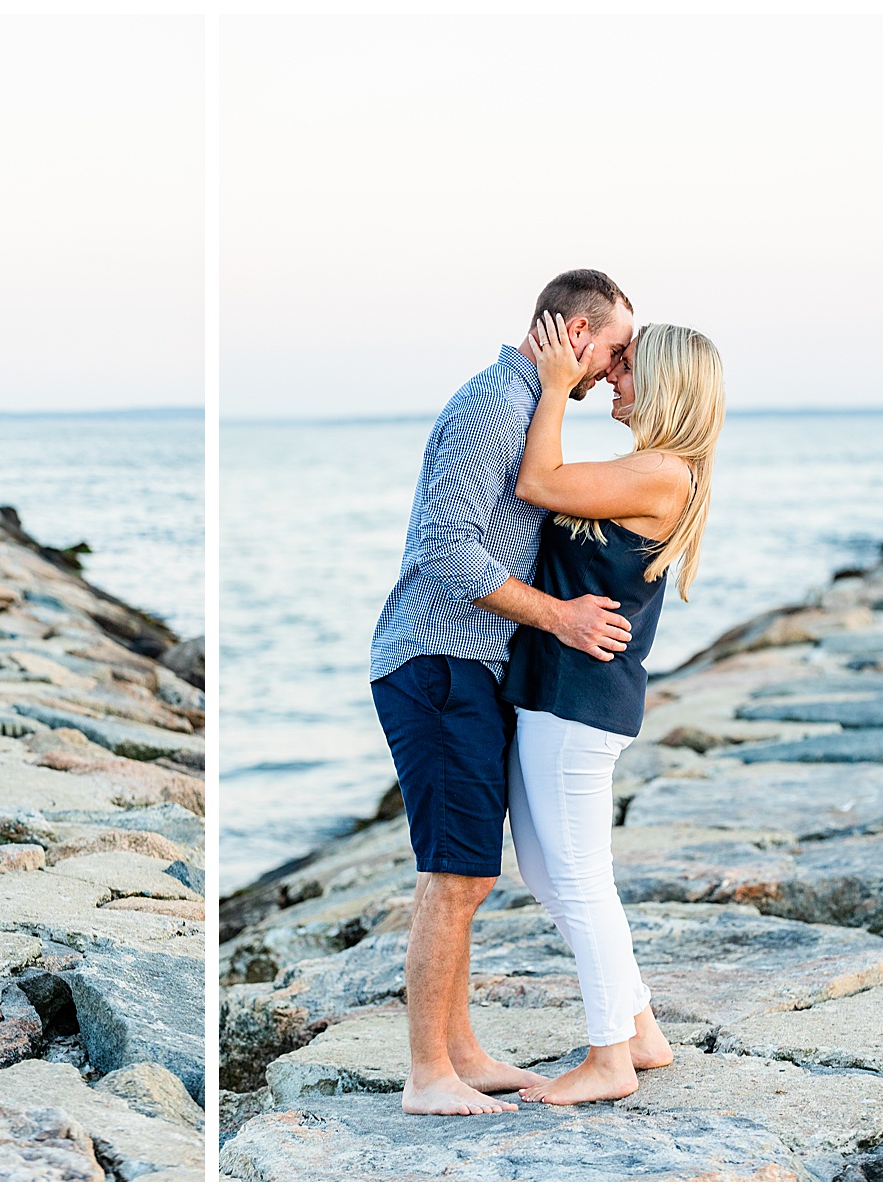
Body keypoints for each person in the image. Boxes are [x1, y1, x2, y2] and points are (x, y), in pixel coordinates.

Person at [368, 269, 637, 1116]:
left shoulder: (528, 406)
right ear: (577, 333)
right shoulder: (494, 404)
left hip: (469, 665)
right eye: (616, 348)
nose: (616, 367)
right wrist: (558, 617)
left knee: (471, 876)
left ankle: (462, 1050)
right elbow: (445, 551)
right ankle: (427, 1077)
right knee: (451, 876)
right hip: (439, 658)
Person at [504, 313, 725, 1105]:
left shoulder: (664, 472)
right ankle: (638, 1027)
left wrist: (556, 387)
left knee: (580, 876)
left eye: (626, 367)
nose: (612, 378)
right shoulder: (654, 469)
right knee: (546, 868)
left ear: (664, 384)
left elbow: (537, 482)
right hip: (560, 692)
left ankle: (608, 1062)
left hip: (578, 699)